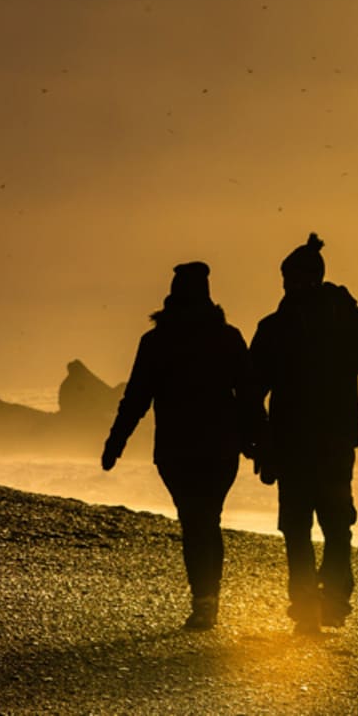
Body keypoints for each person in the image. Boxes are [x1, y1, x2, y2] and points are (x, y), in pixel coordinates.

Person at [247, 233, 358, 633]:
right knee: (328, 526)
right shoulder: (342, 322)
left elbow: (250, 392)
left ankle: (313, 607)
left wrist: (257, 442)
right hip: (329, 444)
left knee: (303, 528)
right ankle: (325, 602)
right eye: (287, 280)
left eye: (293, 279)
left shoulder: (280, 327)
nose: (291, 286)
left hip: (302, 445)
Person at [102, 261, 250, 630]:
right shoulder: (227, 337)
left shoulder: (156, 341)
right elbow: (249, 397)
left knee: (194, 520)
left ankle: (204, 601)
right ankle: (207, 599)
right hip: (219, 447)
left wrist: (115, 442)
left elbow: (136, 398)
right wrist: (258, 445)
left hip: (175, 449)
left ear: (172, 294)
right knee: (208, 519)